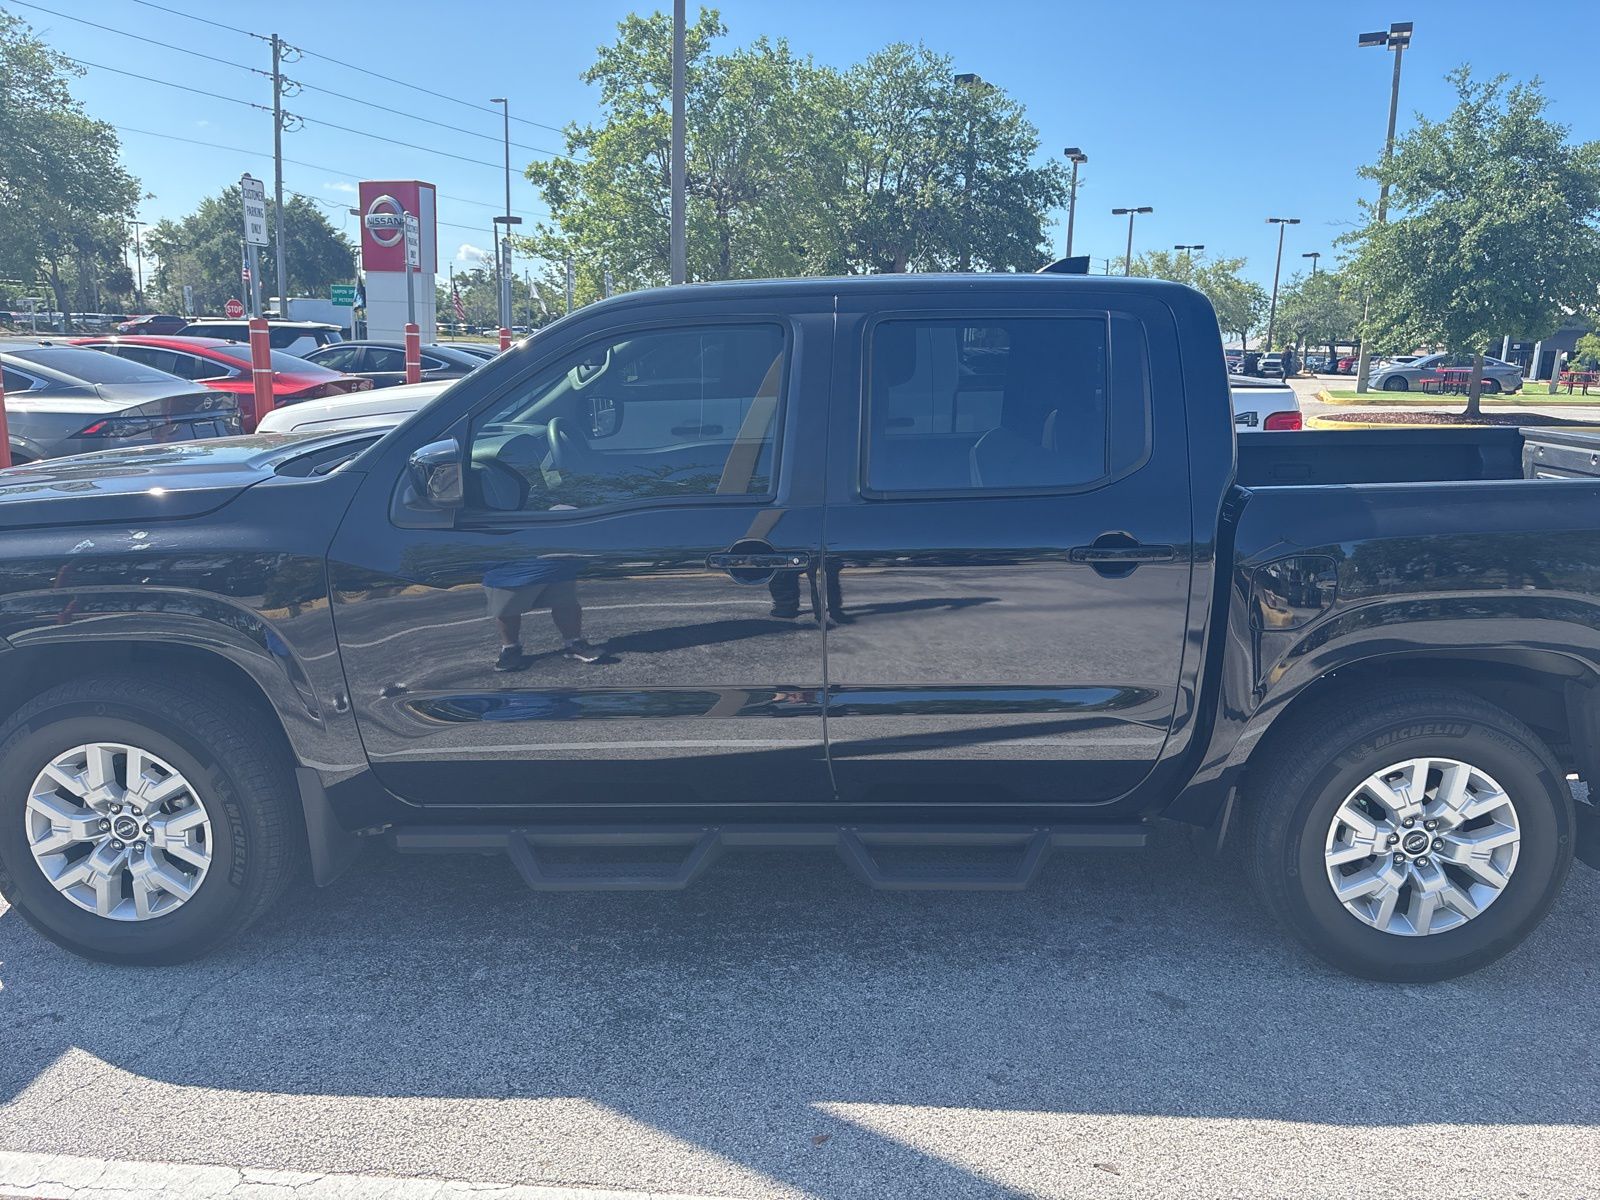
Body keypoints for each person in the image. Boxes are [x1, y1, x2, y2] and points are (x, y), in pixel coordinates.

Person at [482, 557, 602, 671]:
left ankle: (574, 643)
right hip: (512, 566)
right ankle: (510, 648)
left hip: (555, 561)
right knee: (507, 607)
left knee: (565, 602)